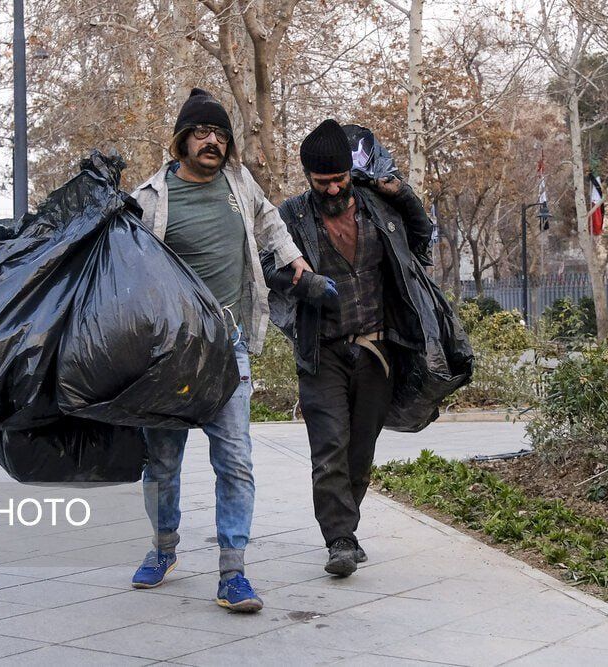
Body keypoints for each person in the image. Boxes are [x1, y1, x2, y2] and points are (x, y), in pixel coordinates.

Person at [129, 88, 310, 612]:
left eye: (221, 134)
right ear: (182, 140)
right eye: (203, 133)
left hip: (228, 349)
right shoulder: (152, 196)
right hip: (168, 353)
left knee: (235, 460)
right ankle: (163, 548)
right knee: (162, 462)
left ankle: (234, 571)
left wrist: (292, 258)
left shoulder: (238, 183)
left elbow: (271, 220)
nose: (213, 141)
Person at [261, 119, 433, 577]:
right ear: (308, 178)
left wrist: (405, 196)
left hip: (378, 351)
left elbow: (422, 240)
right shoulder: (291, 216)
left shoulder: (378, 207)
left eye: (339, 178)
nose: (333, 187)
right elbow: (263, 266)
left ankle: (346, 526)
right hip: (323, 353)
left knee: (360, 450)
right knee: (330, 446)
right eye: (323, 181)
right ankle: (339, 538)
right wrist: (304, 283)